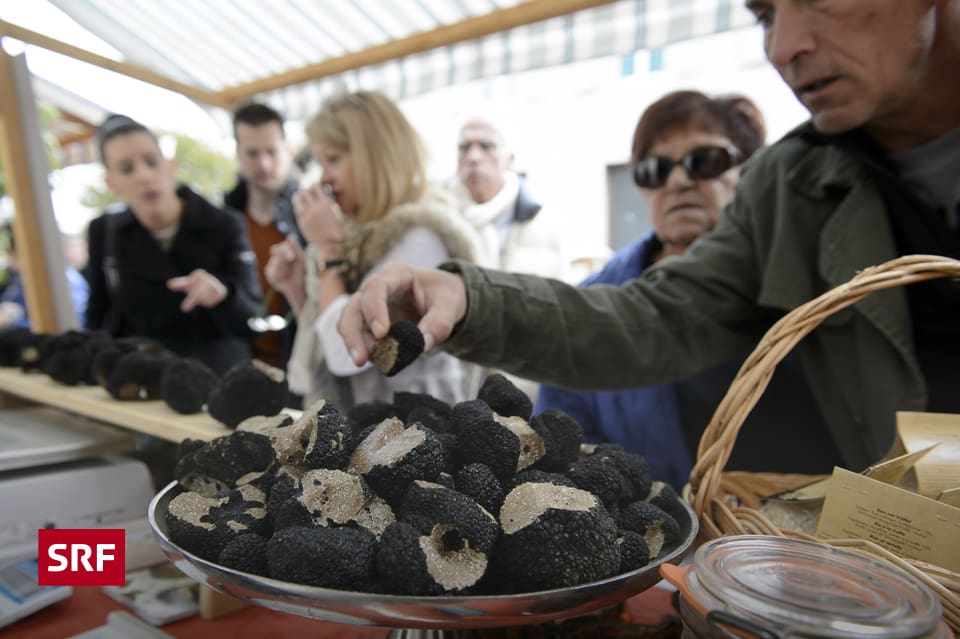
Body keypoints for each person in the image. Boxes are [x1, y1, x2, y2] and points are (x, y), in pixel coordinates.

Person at [339, 0, 960, 476]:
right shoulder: (791, 186)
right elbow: (657, 318)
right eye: (765, 13)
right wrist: (469, 299)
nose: (785, 44)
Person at [534, 91, 778, 489]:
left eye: (705, 161)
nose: (679, 180)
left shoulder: (790, 289)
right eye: (654, 169)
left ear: (748, 173)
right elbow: (563, 446)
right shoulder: (592, 305)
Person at [264, 90, 489, 410]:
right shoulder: (362, 234)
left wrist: (327, 250)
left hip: (412, 437)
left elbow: (348, 354)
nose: (324, 176)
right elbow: (326, 342)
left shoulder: (422, 235)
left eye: (333, 159)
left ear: (376, 155)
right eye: (319, 161)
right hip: (371, 433)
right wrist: (296, 288)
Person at [85, 114, 262, 375]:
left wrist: (222, 296)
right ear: (111, 183)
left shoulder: (225, 223)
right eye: (126, 168)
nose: (144, 176)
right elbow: (98, 314)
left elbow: (252, 320)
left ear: (170, 167)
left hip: (219, 378)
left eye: (151, 161)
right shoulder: (104, 231)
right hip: (143, 378)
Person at [223, 102, 304, 370]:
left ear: (288, 151)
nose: (264, 163)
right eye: (252, 153)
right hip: (240, 365)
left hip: (299, 365)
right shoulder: (222, 221)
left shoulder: (310, 217)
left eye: (272, 151)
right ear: (238, 155)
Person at [450, 116, 564, 278]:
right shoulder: (434, 218)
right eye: (464, 147)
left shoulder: (543, 226)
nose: (473, 157)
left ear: (510, 158)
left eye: (486, 146)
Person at [0, 224, 89, 330]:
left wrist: (13, 322)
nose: (10, 258)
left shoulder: (63, 279)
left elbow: (71, 326)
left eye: (12, 252)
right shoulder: (23, 278)